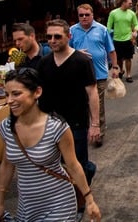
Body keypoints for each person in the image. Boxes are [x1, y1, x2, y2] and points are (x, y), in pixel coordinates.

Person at [0, 68, 101, 222]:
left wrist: (89, 200)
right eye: (7, 95)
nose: (9, 100)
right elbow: (7, 164)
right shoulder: (5, 128)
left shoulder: (57, 127)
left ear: (37, 92)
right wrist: (0, 202)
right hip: (27, 206)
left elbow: (73, 165)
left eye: (16, 94)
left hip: (59, 203)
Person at [36, 19, 100, 221]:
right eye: (49, 37)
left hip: (76, 123)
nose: (52, 40)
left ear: (68, 37)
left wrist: (95, 124)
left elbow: (92, 92)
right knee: (56, 165)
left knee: (77, 165)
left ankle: (80, 201)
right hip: (49, 124)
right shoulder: (44, 63)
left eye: (57, 36)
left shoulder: (82, 61)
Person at [70, 4, 119, 148]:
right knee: (82, 106)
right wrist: (76, 53)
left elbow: (111, 50)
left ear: (92, 15)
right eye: (81, 15)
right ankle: (84, 131)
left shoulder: (102, 29)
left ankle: (99, 133)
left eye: (87, 14)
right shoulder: (72, 31)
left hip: (99, 75)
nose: (84, 17)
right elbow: (65, 50)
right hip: (78, 77)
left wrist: (115, 67)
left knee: (98, 106)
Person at [107, 0, 138, 83]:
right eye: (130, 3)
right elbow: (109, 26)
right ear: (124, 3)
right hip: (117, 39)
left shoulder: (132, 13)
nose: (131, 5)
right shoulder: (113, 13)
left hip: (128, 39)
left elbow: (136, 24)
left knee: (128, 58)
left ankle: (128, 75)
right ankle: (121, 70)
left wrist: (135, 31)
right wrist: (108, 38)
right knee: (119, 59)